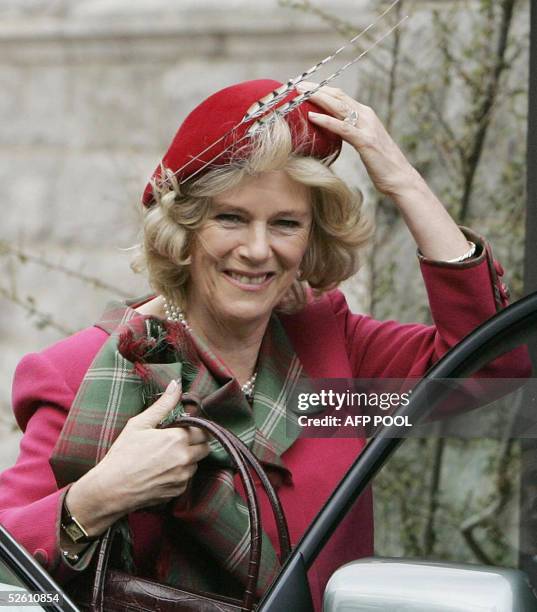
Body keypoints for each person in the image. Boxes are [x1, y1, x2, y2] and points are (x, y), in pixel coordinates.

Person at [0, 78, 527, 611]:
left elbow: (493, 367)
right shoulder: (83, 372)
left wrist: (402, 180)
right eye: (231, 217)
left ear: (311, 239)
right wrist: (96, 499)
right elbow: (7, 583)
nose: (257, 250)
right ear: (183, 229)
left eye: (285, 224)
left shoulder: (331, 350)